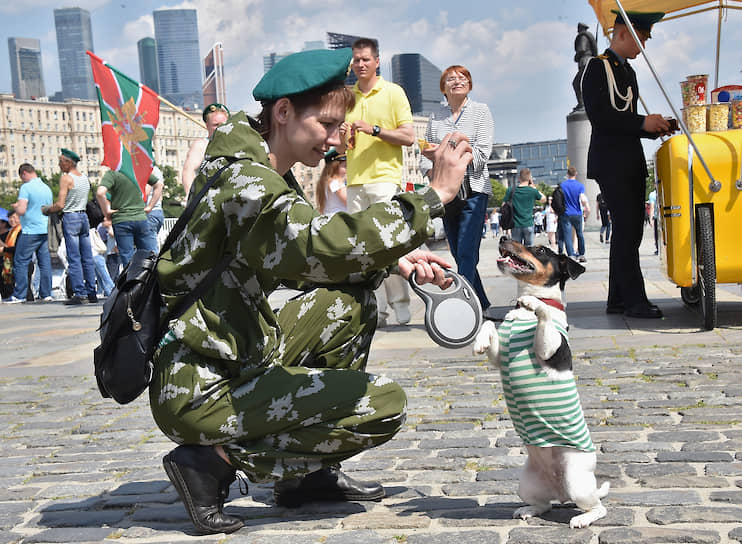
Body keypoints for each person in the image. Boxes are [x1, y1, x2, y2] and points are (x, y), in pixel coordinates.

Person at [150, 48, 473, 535]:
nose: (335, 138)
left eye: (340, 125)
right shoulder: (247, 183)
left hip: (232, 353)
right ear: (283, 113)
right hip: (201, 387)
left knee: (351, 300)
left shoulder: (255, 168)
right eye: (325, 123)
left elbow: (309, 255)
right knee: (382, 404)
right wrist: (435, 196)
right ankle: (210, 460)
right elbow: (320, 244)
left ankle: (306, 476)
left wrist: (394, 259)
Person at [582, 9, 674, 318]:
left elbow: (628, 122)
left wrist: (654, 127)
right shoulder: (597, 68)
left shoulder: (627, 72)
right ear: (624, 33)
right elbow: (602, 117)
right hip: (611, 162)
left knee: (630, 231)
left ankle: (618, 298)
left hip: (629, 159)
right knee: (626, 229)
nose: (643, 46)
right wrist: (642, 123)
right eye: (642, 38)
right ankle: (634, 300)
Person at [336, 38, 415, 327]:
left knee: (388, 245)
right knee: (364, 251)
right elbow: (342, 151)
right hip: (355, 180)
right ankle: (377, 309)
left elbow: (408, 137)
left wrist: (375, 129)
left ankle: (401, 303)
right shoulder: (347, 96)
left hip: (385, 178)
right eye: (356, 60)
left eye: (365, 59)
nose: (360, 64)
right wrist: (344, 137)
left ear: (377, 61)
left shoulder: (393, 92)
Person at [419, 65, 494, 310]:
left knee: (466, 252)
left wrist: (454, 154)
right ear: (443, 88)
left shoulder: (481, 111)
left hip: (474, 189)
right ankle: (481, 303)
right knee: (459, 251)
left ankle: (464, 306)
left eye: (463, 78)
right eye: (451, 78)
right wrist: (433, 168)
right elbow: (424, 156)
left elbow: (483, 154)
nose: (457, 81)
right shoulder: (435, 117)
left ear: (469, 85)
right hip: (445, 193)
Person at [42, 149, 98, 305]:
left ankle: (79, 293)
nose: (59, 165)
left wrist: (46, 209)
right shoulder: (85, 178)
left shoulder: (66, 178)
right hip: (84, 218)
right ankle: (91, 291)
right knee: (87, 257)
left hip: (71, 218)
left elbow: (60, 205)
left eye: (61, 161)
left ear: (68, 162)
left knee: (74, 258)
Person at [6, 164, 53, 303]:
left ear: (24, 173)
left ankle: (20, 295)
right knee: (44, 263)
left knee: (20, 261)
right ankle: (46, 294)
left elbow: (21, 210)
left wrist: (16, 206)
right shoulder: (46, 188)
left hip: (30, 230)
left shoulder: (26, 187)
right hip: (45, 229)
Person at [96, 170, 159, 270]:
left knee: (128, 260)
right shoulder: (137, 170)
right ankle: (152, 282)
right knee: (150, 256)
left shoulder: (112, 174)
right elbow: (159, 184)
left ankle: (133, 283)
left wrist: (107, 213)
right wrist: (150, 206)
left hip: (122, 219)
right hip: (140, 217)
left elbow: (100, 193)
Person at [181, 103, 230, 198]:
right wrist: (191, 197)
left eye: (223, 124)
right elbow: (188, 172)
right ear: (207, 125)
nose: (220, 128)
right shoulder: (201, 145)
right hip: (210, 200)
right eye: (215, 125)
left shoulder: (237, 144)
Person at [503, 168, 546, 247]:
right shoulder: (532, 191)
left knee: (516, 249)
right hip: (528, 223)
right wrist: (534, 187)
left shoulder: (511, 190)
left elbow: (503, 205)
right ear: (529, 179)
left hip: (515, 224)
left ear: (519, 178)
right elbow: (543, 199)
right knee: (529, 249)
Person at [559, 166, 590, 262]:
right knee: (579, 234)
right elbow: (583, 199)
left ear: (567, 174)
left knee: (567, 235)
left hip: (566, 213)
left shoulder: (562, 185)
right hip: (577, 213)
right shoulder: (580, 186)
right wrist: (586, 211)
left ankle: (571, 255)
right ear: (576, 174)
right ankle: (581, 254)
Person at [315, 149, 347, 214]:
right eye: (345, 166)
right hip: (341, 220)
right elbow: (350, 202)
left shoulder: (328, 182)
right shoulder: (335, 182)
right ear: (334, 167)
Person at [144, 165, 165, 243]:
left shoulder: (148, 169)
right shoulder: (157, 170)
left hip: (149, 212)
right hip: (157, 210)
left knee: (148, 247)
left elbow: (146, 192)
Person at [647, 187, 659, 255]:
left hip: (657, 217)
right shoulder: (653, 194)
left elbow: (652, 207)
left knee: (656, 233)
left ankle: (658, 247)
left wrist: (651, 218)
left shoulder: (652, 194)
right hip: (660, 216)